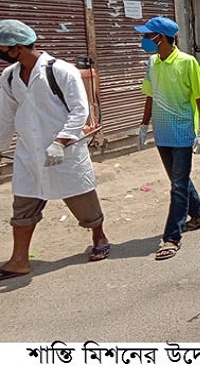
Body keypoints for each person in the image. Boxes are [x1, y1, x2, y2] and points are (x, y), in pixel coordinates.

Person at [0, 19, 111, 280]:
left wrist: (60, 143)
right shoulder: (10, 76)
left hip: (65, 153)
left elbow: (80, 110)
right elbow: (6, 116)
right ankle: (19, 260)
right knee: (23, 205)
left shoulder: (60, 71)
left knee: (83, 201)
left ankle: (99, 236)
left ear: (16, 48)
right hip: (29, 154)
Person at [134, 16, 200, 261]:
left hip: (183, 132)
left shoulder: (187, 62)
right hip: (162, 132)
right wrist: (143, 125)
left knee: (178, 185)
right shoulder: (152, 63)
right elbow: (150, 96)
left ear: (161, 38)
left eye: (148, 35)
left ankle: (172, 237)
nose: (144, 39)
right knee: (179, 180)